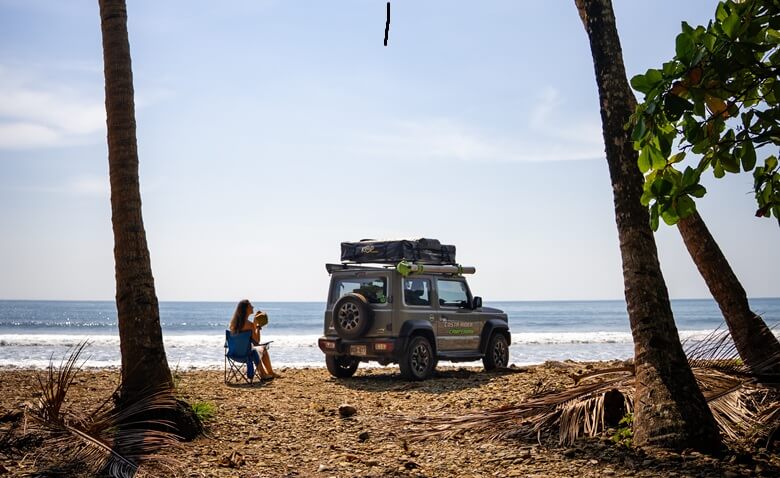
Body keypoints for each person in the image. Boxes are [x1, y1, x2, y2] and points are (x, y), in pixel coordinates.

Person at [229, 299, 278, 380]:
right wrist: (257, 326)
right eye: (250, 306)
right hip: (246, 355)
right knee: (263, 348)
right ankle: (266, 373)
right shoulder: (249, 325)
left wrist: (254, 325)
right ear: (246, 309)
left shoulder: (233, 324)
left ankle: (267, 373)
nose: (253, 307)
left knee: (256, 349)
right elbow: (257, 341)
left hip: (233, 354)